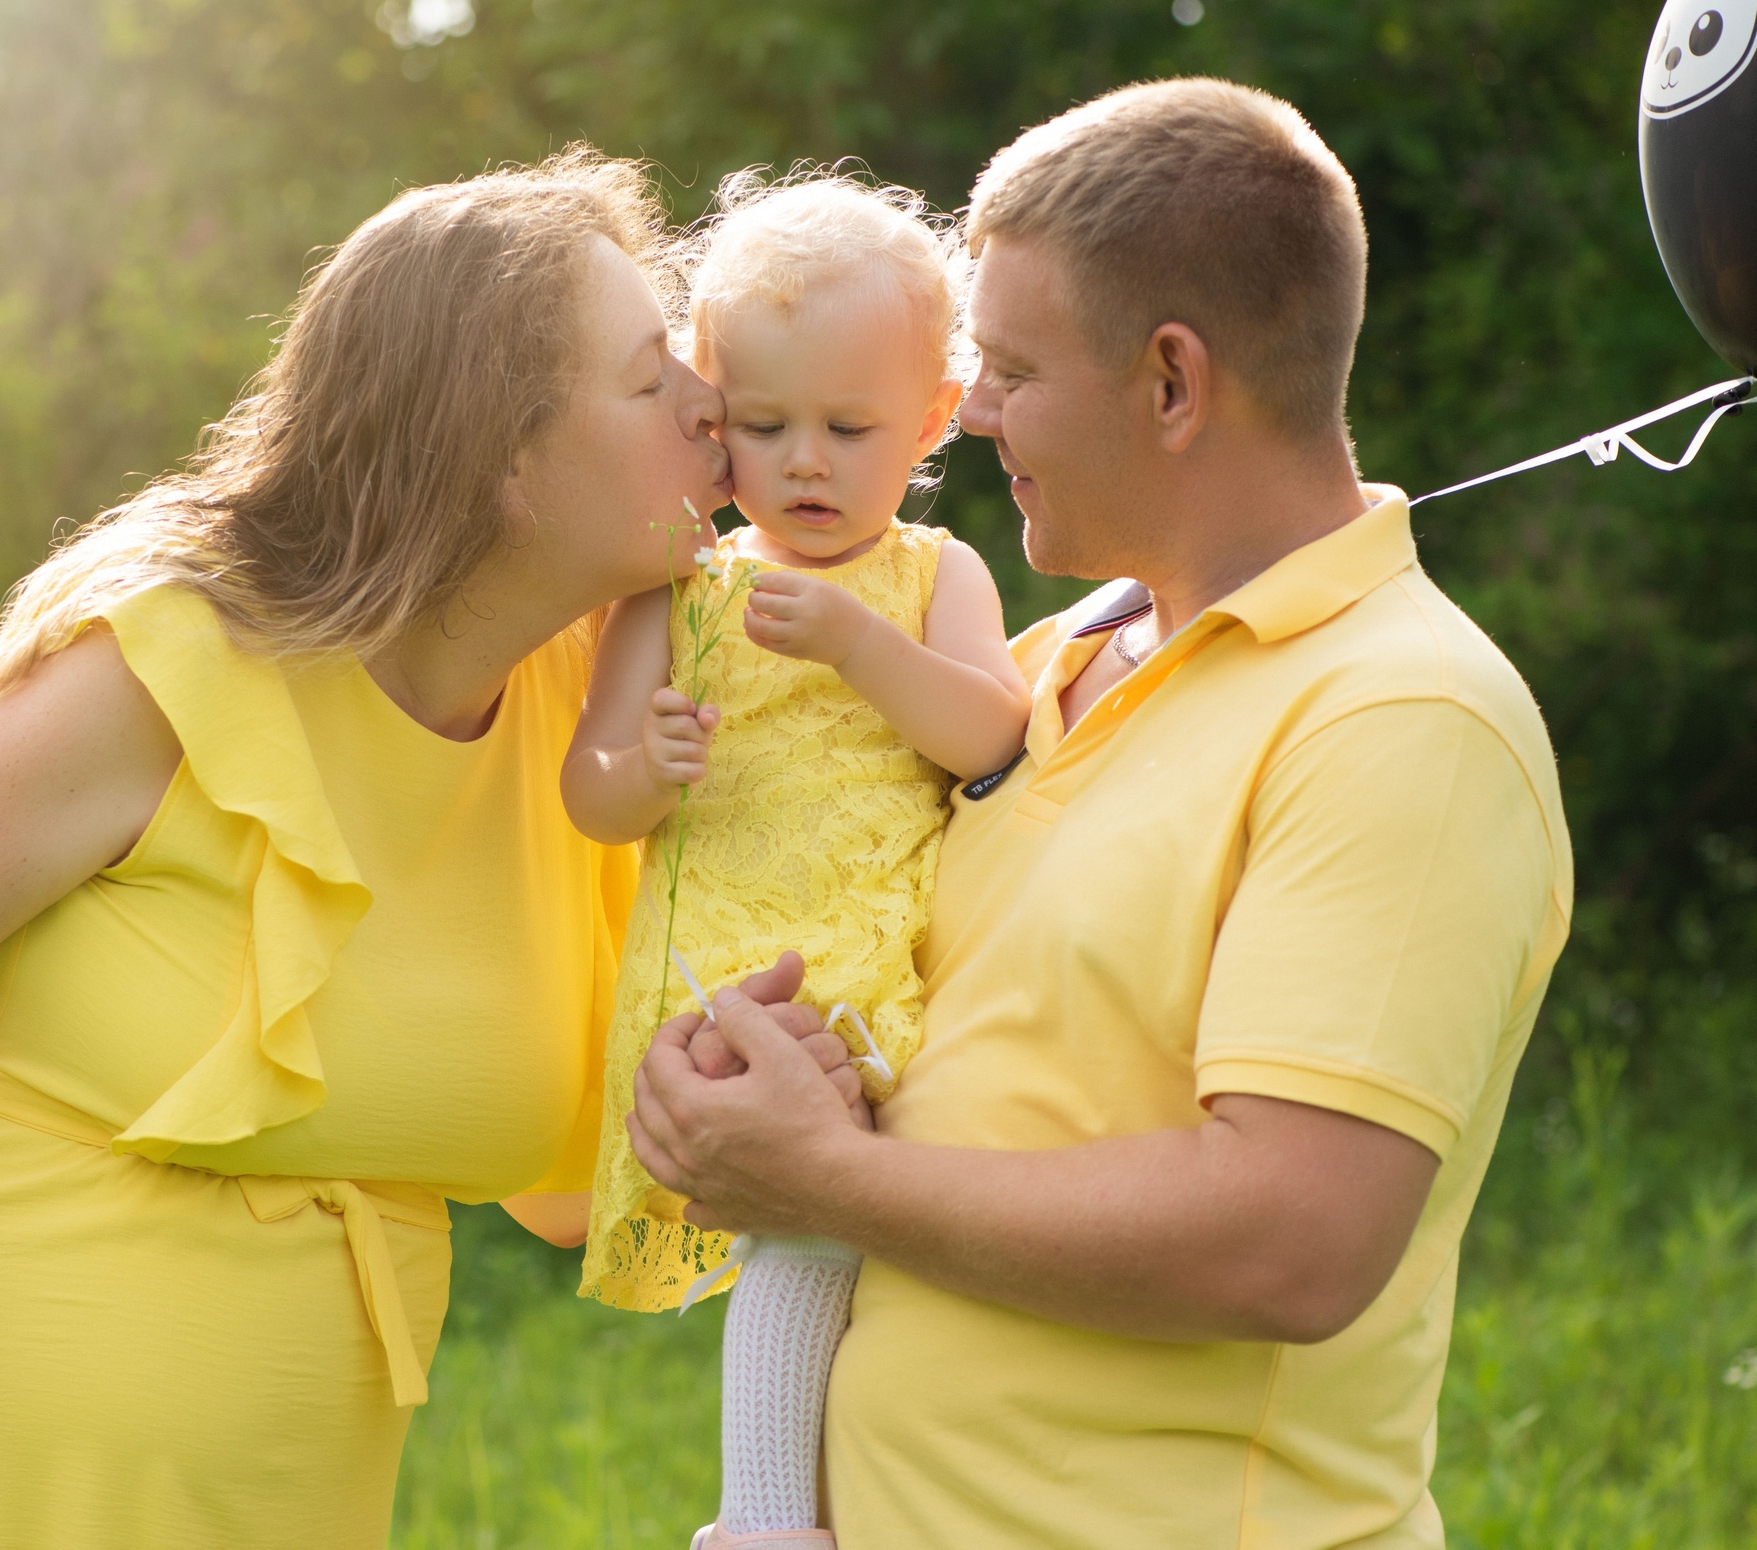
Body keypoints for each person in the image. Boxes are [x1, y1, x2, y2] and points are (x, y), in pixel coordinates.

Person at [0, 149, 869, 1550]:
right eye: (649, 380)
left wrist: (742, 1095)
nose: (711, 406)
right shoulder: (171, 667)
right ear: (499, 456)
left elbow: (561, 1192)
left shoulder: (596, 735)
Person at [629, 79, 1575, 1548]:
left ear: (1172, 382)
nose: (971, 411)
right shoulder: (1045, 665)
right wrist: (759, 1089)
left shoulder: (1404, 720)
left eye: (1009, 368)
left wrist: (830, 1178)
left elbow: (1292, 1240)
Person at [562, 175, 1030, 1548]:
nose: (806, 463)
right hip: (740, 973)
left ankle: (854, 1504)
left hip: (900, 961)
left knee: (890, 1271)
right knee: (807, 1238)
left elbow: (991, 735)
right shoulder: (679, 589)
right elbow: (591, 792)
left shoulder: (936, 576)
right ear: (713, 415)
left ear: (934, 418)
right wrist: (645, 766)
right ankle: (763, 1522)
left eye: (849, 427)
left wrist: (859, 644)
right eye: (764, 427)